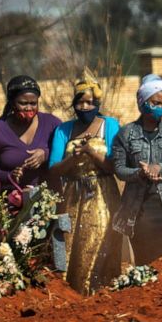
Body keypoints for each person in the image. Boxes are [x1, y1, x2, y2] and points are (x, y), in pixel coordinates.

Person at [48, 76, 122, 294]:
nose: (85, 107)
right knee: (72, 245)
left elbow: (113, 167)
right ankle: (73, 295)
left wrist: (90, 151)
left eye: (90, 102)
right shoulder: (64, 130)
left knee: (100, 241)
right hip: (73, 194)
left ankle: (102, 292)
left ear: (98, 104)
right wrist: (74, 158)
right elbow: (53, 169)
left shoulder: (109, 125)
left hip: (103, 195)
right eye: (80, 102)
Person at [112, 74, 162, 265]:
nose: (160, 108)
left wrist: (160, 169)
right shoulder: (126, 133)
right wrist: (138, 173)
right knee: (146, 267)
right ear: (142, 101)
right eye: (155, 102)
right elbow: (119, 169)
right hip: (139, 213)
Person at [0, 75, 62, 197]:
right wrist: (10, 176)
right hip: (12, 205)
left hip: (51, 201)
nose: (29, 108)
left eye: (33, 103)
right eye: (23, 103)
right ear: (12, 103)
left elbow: (68, 153)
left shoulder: (52, 124)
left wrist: (45, 154)